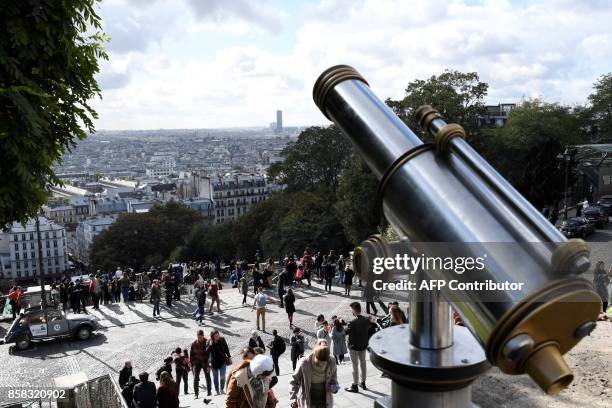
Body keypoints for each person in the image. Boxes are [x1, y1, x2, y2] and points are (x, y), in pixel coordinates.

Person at [289, 343, 339, 408]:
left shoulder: (331, 361)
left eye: (324, 363)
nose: (322, 365)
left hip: (325, 402)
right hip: (308, 402)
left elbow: (334, 379)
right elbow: (293, 381)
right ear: (315, 356)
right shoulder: (304, 363)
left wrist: (334, 387)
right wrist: (293, 399)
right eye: (319, 362)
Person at [344, 302, 370, 393]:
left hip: (354, 347)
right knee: (363, 363)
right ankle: (363, 382)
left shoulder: (352, 322)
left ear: (354, 310)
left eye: (352, 310)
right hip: (363, 345)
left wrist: (343, 325)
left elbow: (345, 332)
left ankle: (355, 385)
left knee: (355, 366)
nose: (351, 311)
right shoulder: (366, 319)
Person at [207, 329, 232, 395]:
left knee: (222, 376)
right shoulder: (210, 343)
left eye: (218, 335)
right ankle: (217, 390)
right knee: (215, 378)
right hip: (214, 363)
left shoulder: (222, 339)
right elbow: (206, 353)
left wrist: (229, 357)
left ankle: (221, 389)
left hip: (222, 361)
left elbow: (226, 348)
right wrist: (207, 365)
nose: (217, 337)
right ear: (212, 337)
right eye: (216, 336)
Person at [190, 330, 212, 399]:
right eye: (198, 337)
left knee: (207, 376)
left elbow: (210, 354)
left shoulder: (207, 342)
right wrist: (191, 364)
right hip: (197, 362)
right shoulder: (194, 343)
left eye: (201, 337)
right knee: (195, 377)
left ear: (203, 336)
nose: (199, 338)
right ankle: (196, 394)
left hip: (205, 362)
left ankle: (209, 392)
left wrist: (209, 365)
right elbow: (191, 354)